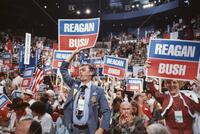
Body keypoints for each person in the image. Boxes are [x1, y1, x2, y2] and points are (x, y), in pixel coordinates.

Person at [60, 49, 111, 134]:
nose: (80, 72)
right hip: (72, 129)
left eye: (83, 70)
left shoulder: (98, 91)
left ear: (91, 72)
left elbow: (106, 111)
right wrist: (73, 54)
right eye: (79, 70)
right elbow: (63, 69)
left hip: (89, 130)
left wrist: (101, 129)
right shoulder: (74, 85)